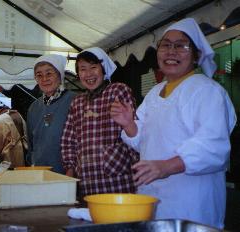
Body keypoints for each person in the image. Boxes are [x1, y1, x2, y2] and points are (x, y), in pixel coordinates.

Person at [110, 18, 237, 229]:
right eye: (165, 45)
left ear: (196, 56)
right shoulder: (154, 93)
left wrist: (166, 166)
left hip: (190, 202)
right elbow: (146, 142)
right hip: (153, 196)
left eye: (181, 46)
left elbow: (213, 147)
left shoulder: (207, 91)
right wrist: (128, 124)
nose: (171, 51)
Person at [61, 47, 139, 198]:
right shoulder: (77, 102)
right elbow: (68, 140)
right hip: (87, 182)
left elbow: (134, 130)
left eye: (93, 67)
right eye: (82, 69)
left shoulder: (118, 90)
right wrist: (70, 173)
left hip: (119, 180)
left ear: (103, 69)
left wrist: (137, 167)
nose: (88, 74)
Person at [26, 54, 76, 174]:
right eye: (39, 75)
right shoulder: (33, 108)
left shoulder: (75, 101)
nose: (44, 79)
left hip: (68, 175)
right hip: (39, 174)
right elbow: (31, 145)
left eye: (49, 73)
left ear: (60, 76)